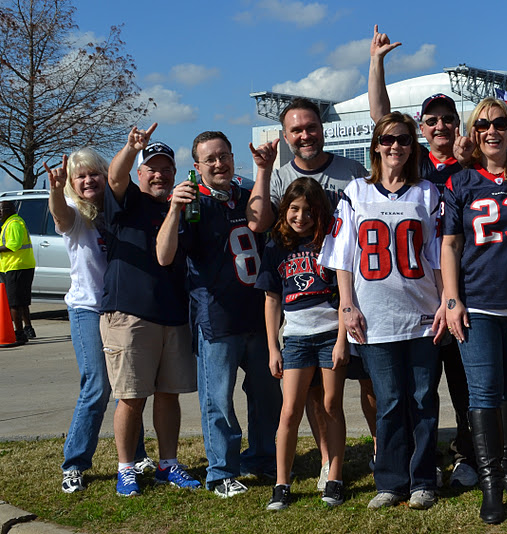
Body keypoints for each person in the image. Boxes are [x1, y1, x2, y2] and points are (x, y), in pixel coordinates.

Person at [369, 24, 479, 489]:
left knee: (467, 385)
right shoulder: (418, 169)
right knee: (421, 388)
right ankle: (422, 461)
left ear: (457, 124)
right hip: (427, 297)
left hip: (473, 288)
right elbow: (382, 120)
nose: (438, 127)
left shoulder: (472, 164)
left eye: (446, 119)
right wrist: (376, 64)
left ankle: (469, 456)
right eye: (430, 121)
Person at [319, 112, 446, 511]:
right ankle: (390, 481)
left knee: (423, 398)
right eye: (388, 139)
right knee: (389, 400)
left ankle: (423, 479)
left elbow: (437, 255)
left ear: (413, 146)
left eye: (404, 140)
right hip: (375, 314)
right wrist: (347, 305)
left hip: (423, 311)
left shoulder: (427, 193)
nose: (396, 146)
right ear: (376, 144)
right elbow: (342, 257)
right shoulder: (356, 192)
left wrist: (445, 302)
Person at [156, 131, 282, 498]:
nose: (218, 163)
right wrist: (174, 209)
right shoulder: (193, 203)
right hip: (217, 316)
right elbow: (164, 256)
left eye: (223, 155)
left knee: (265, 393)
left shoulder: (245, 195)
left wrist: (263, 170)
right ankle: (220, 471)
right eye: (209, 159)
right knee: (218, 398)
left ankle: (261, 455)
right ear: (196, 167)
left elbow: (260, 222)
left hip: (257, 313)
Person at [271, 97, 376, 490]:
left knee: (369, 383)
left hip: (358, 294)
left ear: (322, 128)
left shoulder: (351, 172)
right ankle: (328, 462)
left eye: (310, 127)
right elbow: (267, 225)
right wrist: (263, 171)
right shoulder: (280, 177)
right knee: (314, 394)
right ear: (286, 136)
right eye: (296, 130)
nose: (304, 135)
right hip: (307, 312)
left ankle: (384, 451)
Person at [441, 98, 507, 524]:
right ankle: (491, 483)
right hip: (477, 302)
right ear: (473, 133)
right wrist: (451, 297)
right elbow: (451, 244)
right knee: (482, 392)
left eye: (499, 123)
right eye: (483, 125)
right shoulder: (460, 182)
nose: (492, 131)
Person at [46, 150, 153, 493]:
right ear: (73, 184)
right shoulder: (77, 214)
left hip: (121, 310)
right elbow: (60, 217)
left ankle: (136, 455)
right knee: (97, 387)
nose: (88, 181)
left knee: (129, 386)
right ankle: (74, 464)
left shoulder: (116, 210)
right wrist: (56, 190)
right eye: (81, 177)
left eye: (94, 174)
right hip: (88, 310)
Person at [102, 124, 200, 496]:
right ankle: (126, 468)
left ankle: (168, 463)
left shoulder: (183, 207)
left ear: (175, 173)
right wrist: (130, 147)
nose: (159, 174)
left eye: (166, 168)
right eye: (151, 168)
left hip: (173, 314)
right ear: (140, 173)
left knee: (168, 393)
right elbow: (114, 175)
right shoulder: (127, 202)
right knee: (131, 395)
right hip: (129, 314)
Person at [258, 177, 348, 510]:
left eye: (309, 210)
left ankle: (335, 478)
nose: (301, 217)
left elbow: (344, 297)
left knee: (330, 406)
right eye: (294, 209)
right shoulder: (275, 245)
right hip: (295, 339)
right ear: (285, 211)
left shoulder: (330, 242)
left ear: (319, 212)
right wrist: (273, 348)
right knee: (290, 411)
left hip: (329, 336)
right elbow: (271, 300)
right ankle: (282, 485)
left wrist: (342, 340)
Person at [0, 200, 35, 344]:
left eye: (1, 211)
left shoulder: (13, 223)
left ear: (8, 210)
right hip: (17, 266)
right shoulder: (11, 222)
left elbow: (13, 245)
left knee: (14, 302)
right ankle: (28, 328)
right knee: (21, 301)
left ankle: (20, 334)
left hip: (16, 266)